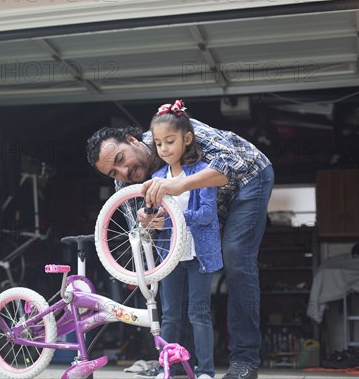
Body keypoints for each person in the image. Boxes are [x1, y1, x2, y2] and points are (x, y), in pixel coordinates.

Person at [86, 100, 274, 379]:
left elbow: (232, 166)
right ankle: (175, 361)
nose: (123, 172)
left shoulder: (173, 130)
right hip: (201, 214)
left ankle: (244, 360)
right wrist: (149, 224)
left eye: (120, 160)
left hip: (247, 180)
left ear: (132, 140)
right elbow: (142, 238)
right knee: (169, 265)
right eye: (114, 172)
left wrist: (180, 184)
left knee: (235, 255)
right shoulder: (125, 183)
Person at [143, 101, 222, 379]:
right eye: (159, 143)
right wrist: (149, 219)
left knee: (199, 313)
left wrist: (174, 217)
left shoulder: (201, 173)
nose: (164, 149)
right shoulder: (156, 178)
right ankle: (169, 366)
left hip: (199, 254)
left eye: (170, 141)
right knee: (171, 315)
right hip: (170, 255)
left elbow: (207, 214)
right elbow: (154, 216)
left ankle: (206, 370)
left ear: (186, 139)